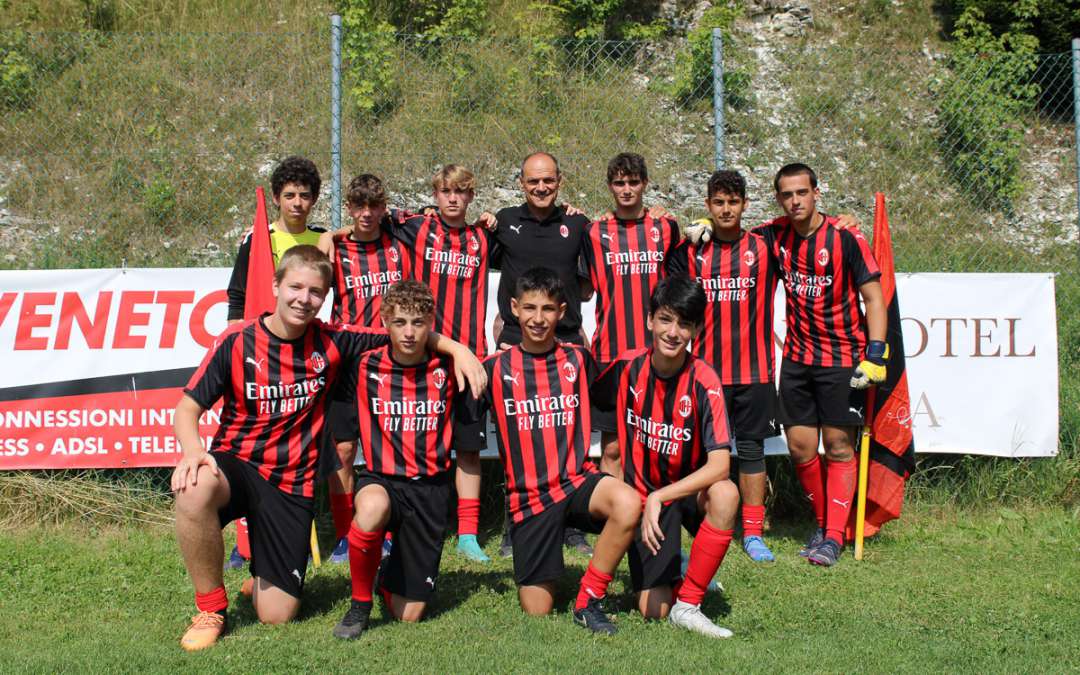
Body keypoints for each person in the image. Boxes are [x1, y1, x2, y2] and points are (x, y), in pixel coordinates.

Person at [170, 246, 484, 651]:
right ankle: (211, 608)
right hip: (239, 464)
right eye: (295, 287)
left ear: (325, 299)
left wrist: (457, 349)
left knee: (277, 615)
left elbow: (402, 332)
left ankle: (266, 573)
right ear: (276, 286)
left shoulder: (335, 340)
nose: (304, 298)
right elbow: (187, 408)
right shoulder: (237, 340)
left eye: (315, 291)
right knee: (193, 487)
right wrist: (194, 452)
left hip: (292, 483)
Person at [330, 165, 498, 563]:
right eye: (445, 191)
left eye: (461, 192)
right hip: (418, 356)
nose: (453, 198)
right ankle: (353, 530)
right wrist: (329, 235)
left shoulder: (487, 235)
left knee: (467, 449)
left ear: (472, 196)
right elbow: (367, 222)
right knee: (368, 446)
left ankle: (468, 535)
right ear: (435, 194)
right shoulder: (413, 229)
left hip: (468, 354)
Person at [463, 267, 642, 634]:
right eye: (530, 308)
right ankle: (546, 556)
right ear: (514, 308)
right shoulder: (494, 369)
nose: (538, 318)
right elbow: (463, 437)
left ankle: (589, 598)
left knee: (628, 502)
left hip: (576, 483)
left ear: (562, 312)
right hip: (529, 501)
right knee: (537, 609)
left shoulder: (579, 359)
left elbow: (619, 397)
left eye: (547, 309)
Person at [753, 163, 887, 566]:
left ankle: (832, 538)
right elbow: (733, 236)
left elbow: (875, 298)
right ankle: (825, 524)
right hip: (796, 359)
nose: (795, 201)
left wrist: (876, 353)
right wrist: (706, 221)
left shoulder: (846, 237)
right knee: (800, 447)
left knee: (840, 447)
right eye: (787, 195)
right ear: (779, 198)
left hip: (842, 358)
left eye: (802, 193)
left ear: (816, 193)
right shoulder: (774, 235)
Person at [593, 276, 739, 638]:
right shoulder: (626, 368)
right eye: (665, 320)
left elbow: (720, 464)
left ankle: (688, 604)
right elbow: (597, 422)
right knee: (652, 609)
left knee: (726, 493)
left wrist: (663, 495)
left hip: (682, 493)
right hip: (643, 499)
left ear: (695, 329)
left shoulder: (705, 380)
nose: (673, 332)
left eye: (684, 324)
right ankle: (681, 569)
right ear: (649, 321)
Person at [333, 280, 474, 639]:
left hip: (430, 489)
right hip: (383, 480)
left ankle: (384, 575)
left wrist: (460, 350)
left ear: (431, 323)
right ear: (384, 321)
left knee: (408, 614)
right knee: (370, 509)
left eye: (417, 322)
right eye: (399, 322)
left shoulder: (449, 367)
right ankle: (359, 605)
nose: (409, 333)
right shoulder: (362, 365)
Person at [666, 169, 781, 562]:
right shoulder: (693, 251)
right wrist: (687, 232)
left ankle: (752, 532)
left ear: (745, 205)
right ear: (708, 205)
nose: (726, 209)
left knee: (751, 451)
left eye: (733, 202)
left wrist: (844, 221)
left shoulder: (766, 246)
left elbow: (801, 228)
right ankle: (700, 530)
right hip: (705, 374)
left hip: (754, 372)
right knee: (697, 456)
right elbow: (667, 274)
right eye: (719, 202)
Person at [222, 155, 327, 570]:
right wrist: (238, 347)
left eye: (304, 195)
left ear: (314, 199)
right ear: (278, 198)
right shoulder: (259, 239)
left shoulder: (323, 241)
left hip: (311, 361)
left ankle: (303, 528)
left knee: (308, 449)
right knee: (255, 448)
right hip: (263, 358)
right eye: (289, 196)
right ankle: (244, 539)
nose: (297, 203)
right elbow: (237, 298)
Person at [489, 152, 593, 557]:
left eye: (548, 180)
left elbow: (587, 282)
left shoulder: (577, 223)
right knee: (519, 441)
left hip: (567, 347)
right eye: (533, 181)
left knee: (570, 439)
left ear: (560, 180)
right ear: (521, 183)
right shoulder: (503, 222)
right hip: (515, 345)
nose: (541, 188)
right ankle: (515, 524)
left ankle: (570, 523)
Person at [317, 174, 412, 564]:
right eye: (359, 206)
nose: (368, 214)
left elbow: (428, 218)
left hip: (388, 350)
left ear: (384, 207)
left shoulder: (399, 244)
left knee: (387, 446)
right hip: (346, 349)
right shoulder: (335, 250)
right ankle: (344, 533)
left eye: (375, 206)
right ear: (350, 208)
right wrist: (326, 238)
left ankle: (384, 528)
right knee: (342, 447)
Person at [579, 153, 681, 479]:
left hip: (658, 352)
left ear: (645, 184)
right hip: (612, 353)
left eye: (633, 182)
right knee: (612, 446)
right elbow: (583, 290)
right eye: (619, 183)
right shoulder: (594, 232)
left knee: (660, 438)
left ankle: (658, 508)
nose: (626, 190)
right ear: (610, 186)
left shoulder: (666, 228)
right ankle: (616, 515)